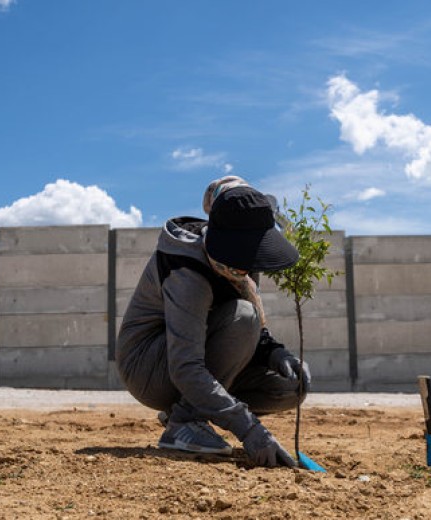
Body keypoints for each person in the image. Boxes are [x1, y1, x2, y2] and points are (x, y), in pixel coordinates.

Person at [116, 178, 310, 468]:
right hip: (149, 369)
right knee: (245, 316)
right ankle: (184, 422)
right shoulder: (187, 270)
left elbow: (243, 331)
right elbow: (187, 364)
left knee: (289, 386)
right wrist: (250, 429)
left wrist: (274, 352)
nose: (247, 267)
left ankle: (188, 410)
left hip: (193, 361)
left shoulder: (240, 258)